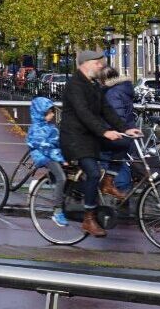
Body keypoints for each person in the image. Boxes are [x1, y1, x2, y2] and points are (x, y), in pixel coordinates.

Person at [59, 51, 141, 237]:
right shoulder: (74, 85)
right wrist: (104, 131)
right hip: (75, 139)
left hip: (91, 136)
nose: (101, 66)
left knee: (123, 144)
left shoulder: (93, 84)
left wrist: (125, 128)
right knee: (93, 172)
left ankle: (108, 181)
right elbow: (83, 113)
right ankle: (89, 218)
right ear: (85, 63)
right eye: (98, 63)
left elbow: (106, 110)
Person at [27, 97, 68, 226]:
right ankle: (57, 211)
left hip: (52, 154)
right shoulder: (37, 129)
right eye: (49, 112)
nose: (52, 114)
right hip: (43, 156)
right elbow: (46, 148)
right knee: (61, 177)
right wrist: (61, 158)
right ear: (41, 114)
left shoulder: (48, 126)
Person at [101, 66, 137, 197]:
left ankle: (121, 193)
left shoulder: (112, 93)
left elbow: (116, 116)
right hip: (127, 130)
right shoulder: (123, 88)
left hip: (119, 134)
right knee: (121, 162)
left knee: (113, 162)